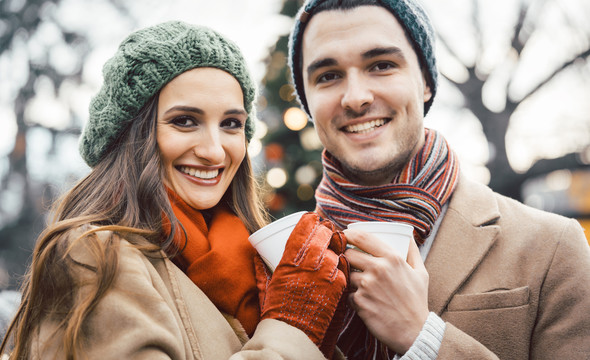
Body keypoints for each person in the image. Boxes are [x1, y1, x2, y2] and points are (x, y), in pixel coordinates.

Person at [0, 20, 349, 359]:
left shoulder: (252, 259)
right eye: (184, 121)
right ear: (131, 135)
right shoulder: (94, 256)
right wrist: (292, 327)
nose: (214, 150)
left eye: (231, 124)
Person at [287, 0, 590, 359]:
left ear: (426, 83)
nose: (355, 98)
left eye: (382, 65)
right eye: (328, 76)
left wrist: (423, 337)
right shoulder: (279, 259)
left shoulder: (553, 247)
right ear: (307, 100)